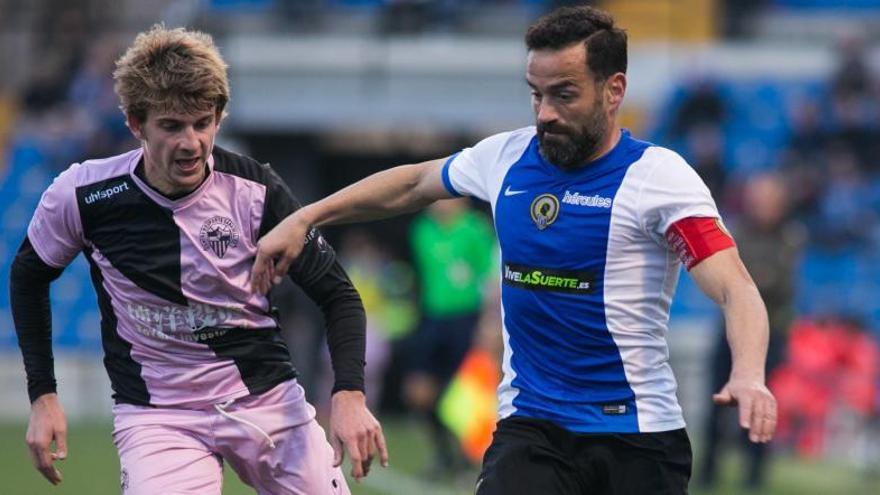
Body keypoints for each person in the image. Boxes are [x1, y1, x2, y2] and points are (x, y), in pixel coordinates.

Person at [251, 6, 777, 494]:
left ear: (613, 90)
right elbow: (412, 184)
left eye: (564, 94)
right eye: (535, 94)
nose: (545, 113)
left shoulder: (659, 180)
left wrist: (750, 374)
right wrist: (305, 216)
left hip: (637, 439)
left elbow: (735, 287)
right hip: (532, 430)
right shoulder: (505, 159)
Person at [10, 25, 386, 494]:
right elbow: (28, 276)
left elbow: (338, 295)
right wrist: (43, 394)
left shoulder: (257, 191)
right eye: (171, 126)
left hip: (265, 399)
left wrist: (348, 393)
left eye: (201, 123)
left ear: (219, 118)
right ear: (135, 123)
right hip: (158, 415)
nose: (190, 143)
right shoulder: (83, 194)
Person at [698, 172, 804, 489]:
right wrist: (741, 282)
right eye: (757, 199)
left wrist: (739, 283)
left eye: (768, 200)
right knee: (715, 404)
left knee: (760, 405)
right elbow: (727, 277)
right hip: (729, 333)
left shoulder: (790, 236)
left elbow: (776, 283)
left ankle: (754, 475)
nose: (761, 206)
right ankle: (707, 472)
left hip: (771, 334)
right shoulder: (737, 230)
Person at [405, 198, 495, 476]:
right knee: (419, 392)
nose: (438, 203)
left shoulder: (475, 229)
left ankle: (468, 460)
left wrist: (489, 323)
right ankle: (444, 454)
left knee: (464, 395)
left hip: (467, 319)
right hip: (432, 318)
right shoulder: (421, 230)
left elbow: (489, 277)